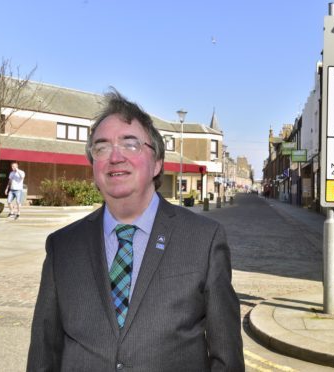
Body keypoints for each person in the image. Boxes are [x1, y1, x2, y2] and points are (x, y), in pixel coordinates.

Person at [27, 90, 244, 371]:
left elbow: (226, 358)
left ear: (157, 163)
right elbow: (44, 353)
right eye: (101, 147)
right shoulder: (62, 247)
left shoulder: (204, 239)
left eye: (130, 144)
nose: (115, 156)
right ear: (93, 166)